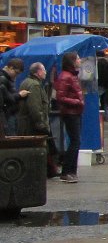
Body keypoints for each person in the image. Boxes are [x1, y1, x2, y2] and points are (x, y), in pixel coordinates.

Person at [17, 62, 60, 178]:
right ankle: (39, 173)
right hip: (32, 125)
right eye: (44, 70)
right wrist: (41, 124)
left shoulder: (26, 82)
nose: (45, 72)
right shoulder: (35, 86)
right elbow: (35, 107)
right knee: (39, 150)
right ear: (38, 72)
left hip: (26, 124)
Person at [54, 52, 85, 182]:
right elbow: (60, 96)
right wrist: (77, 102)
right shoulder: (66, 77)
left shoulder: (72, 76)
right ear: (72, 61)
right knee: (75, 141)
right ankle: (67, 171)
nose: (80, 60)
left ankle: (71, 171)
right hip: (70, 113)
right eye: (77, 58)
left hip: (75, 112)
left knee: (76, 141)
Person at [0, 57, 24, 135]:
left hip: (8, 114)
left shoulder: (7, 78)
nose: (16, 76)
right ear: (10, 68)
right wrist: (19, 95)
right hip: (7, 114)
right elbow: (7, 98)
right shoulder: (3, 79)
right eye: (16, 73)